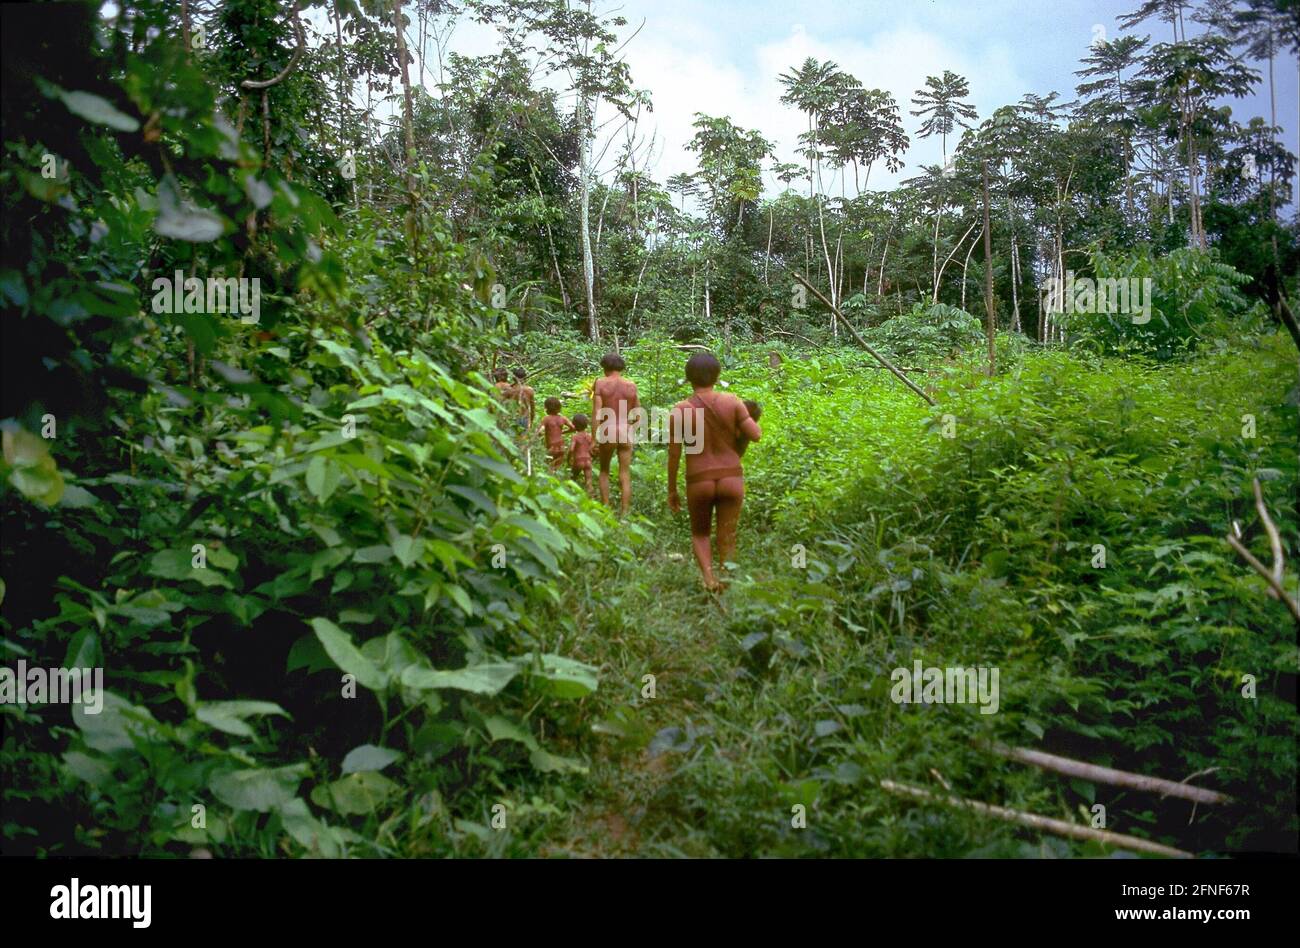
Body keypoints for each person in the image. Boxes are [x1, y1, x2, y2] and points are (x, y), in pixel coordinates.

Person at [667, 352, 760, 592]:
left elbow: (674, 454)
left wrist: (672, 489)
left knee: (700, 534)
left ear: (688, 378)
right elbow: (755, 435)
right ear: (717, 376)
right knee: (727, 534)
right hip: (731, 477)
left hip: (699, 479)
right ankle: (727, 580)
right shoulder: (732, 401)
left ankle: (709, 580)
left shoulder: (680, 410)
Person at [592, 352, 638, 516]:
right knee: (625, 473)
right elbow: (637, 415)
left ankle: (606, 509)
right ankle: (625, 514)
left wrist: (594, 439)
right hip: (626, 432)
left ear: (605, 368)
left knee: (604, 471)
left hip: (607, 431)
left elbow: (597, 412)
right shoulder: (631, 385)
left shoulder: (600, 383)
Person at [538, 397, 573, 472]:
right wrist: (563, 432)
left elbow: (540, 431)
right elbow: (573, 428)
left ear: (546, 408)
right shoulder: (563, 418)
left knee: (549, 467)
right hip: (561, 446)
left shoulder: (546, 419)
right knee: (556, 468)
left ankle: (549, 481)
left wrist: (539, 435)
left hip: (551, 446)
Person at [568, 413, 595, 493]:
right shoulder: (589, 436)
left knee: (572, 479)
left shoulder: (575, 436)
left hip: (578, 461)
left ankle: (570, 494)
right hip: (588, 460)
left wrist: (569, 458)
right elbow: (592, 448)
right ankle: (591, 497)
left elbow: (571, 449)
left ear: (574, 425)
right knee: (589, 482)